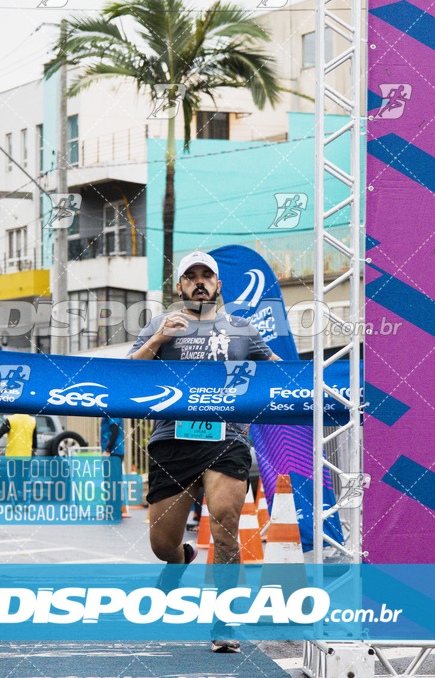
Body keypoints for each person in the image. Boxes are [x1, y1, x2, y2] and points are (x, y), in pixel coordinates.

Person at [128, 250, 279, 653]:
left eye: (206, 276)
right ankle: (179, 561)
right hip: (172, 439)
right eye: (190, 276)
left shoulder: (243, 330)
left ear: (218, 283)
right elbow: (126, 375)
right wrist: (158, 340)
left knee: (227, 523)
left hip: (225, 436)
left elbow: (281, 374)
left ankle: (224, 620)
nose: (199, 282)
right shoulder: (161, 324)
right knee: (162, 544)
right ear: (178, 286)